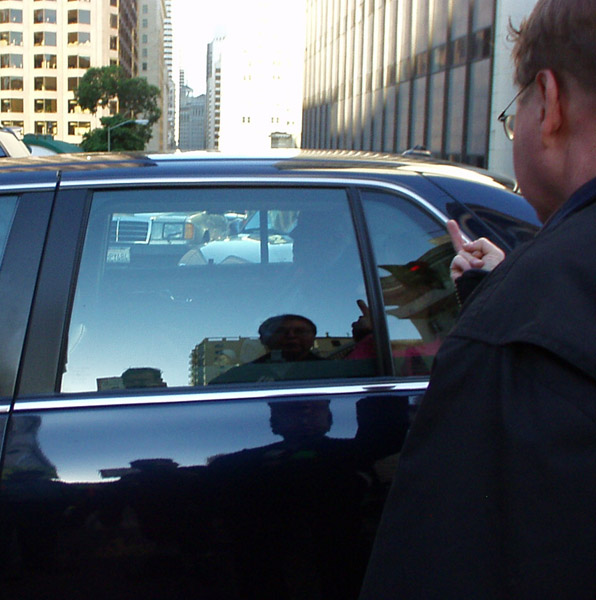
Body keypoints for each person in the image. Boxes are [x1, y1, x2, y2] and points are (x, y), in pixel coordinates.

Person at [359, 1, 596, 598]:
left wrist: (512, 305)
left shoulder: (511, 333)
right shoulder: (529, 305)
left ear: (550, 103)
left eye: (514, 118)